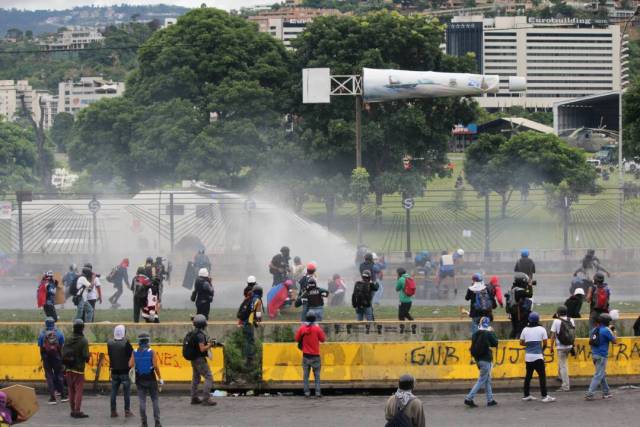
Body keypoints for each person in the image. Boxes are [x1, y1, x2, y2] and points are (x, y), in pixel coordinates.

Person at [129, 332, 163, 427]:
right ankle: (157, 422)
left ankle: (144, 423)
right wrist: (160, 378)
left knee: (142, 401)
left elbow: (130, 365)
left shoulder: (134, 352)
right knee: (155, 400)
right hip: (151, 379)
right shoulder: (151, 351)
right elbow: (155, 366)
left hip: (140, 380)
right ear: (148, 341)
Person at [520, 312, 555, 403]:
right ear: (538, 320)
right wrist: (541, 351)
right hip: (538, 357)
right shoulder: (541, 329)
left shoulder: (525, 329)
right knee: (542, 377)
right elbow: (545, 343)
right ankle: (544, 396)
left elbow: (521, 342)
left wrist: (528, 345)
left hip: (528, 357)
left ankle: (526, 395)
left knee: (528, 376)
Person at [464, 317, 499, 408]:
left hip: (478, 360)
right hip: (486, 360)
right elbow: (495, 343)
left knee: (487, 380)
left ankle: (490, 400)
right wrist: (492, 332)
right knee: (481, 380)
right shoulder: (488, 333)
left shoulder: (475, 334)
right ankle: (469, 398)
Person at [187, 314, 218, 406]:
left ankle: (194, 398)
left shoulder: (193, 332)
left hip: (194, 359)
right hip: (199, 359)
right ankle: (206, 399)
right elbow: (202, 349)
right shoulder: (200, 335)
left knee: (196, 377)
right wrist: (211, 344)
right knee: (209, 377)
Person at [62, 318, 90, 418]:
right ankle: (77, 411)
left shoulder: (68, 339)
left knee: (70, 390)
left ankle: (72, 410)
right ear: (82, 328)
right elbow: (86, 356)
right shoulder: (83, 340)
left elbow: (63, 352)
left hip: (68, 368)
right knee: (78, 391)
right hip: (78, 370)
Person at [585, 313, 616, 400]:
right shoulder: (606, 330)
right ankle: (590, 394)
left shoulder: (594, 330)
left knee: (601, 374)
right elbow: (614, 341)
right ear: (607, 322)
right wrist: (613, 331)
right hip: (602, 356)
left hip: (594, 355)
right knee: (598, 375)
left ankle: (606, 392)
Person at [295, 312, 326, 398]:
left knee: (305, 376)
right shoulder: (317, 329)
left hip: (305, 356)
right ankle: (318, 392)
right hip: (315, 356)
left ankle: (307, 393)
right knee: (317, 376)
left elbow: (297, 339)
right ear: (314, 319)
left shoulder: (302, 328)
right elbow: (323, 339)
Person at [38, 317, 66, 404]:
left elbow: (40, 346)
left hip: (46, 358)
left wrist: (43, 356)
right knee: (59, 375)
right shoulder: (59, 333)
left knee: (49, 376)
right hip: (57, 358)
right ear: (54, 323)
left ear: (45, 324)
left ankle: (53, 398)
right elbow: (61, 345)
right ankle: (63, 396)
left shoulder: (42, 334)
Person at [108, 325, 134, 418]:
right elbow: (132, 355)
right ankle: (127, 411)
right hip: (125, 372)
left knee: (113, 392)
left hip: (114, 371)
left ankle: (113, 411)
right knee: (126, 392)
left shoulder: (110, 343)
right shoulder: (126, 343)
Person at [549, 306, 575, 392]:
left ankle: (566, 386)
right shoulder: (571, 320)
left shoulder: (556, 321)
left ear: (558, 313)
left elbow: (552, 335)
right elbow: (573, 333)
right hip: (569, 345)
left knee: (563, 366)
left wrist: (551, 346)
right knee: (562, 363)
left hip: (561, 346)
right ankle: (560, 377)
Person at [505, 272, 534, 339]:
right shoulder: (520, 291)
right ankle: (518, 342)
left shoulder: (513, 288)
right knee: (520, 329)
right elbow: (530, 294)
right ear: (522, 281)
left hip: (513, 313)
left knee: (515, 329)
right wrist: (530, 285)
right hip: (520, 313)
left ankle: (511, 341)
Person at [242, 285, 263, 364]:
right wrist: (258, 320)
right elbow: (258, 313)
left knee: (246, 340)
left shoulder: (250, 298)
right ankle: (249, 359)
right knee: (250, 341)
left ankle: (246, 357)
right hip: (249, 323)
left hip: (245, 321)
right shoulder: (258, 300)